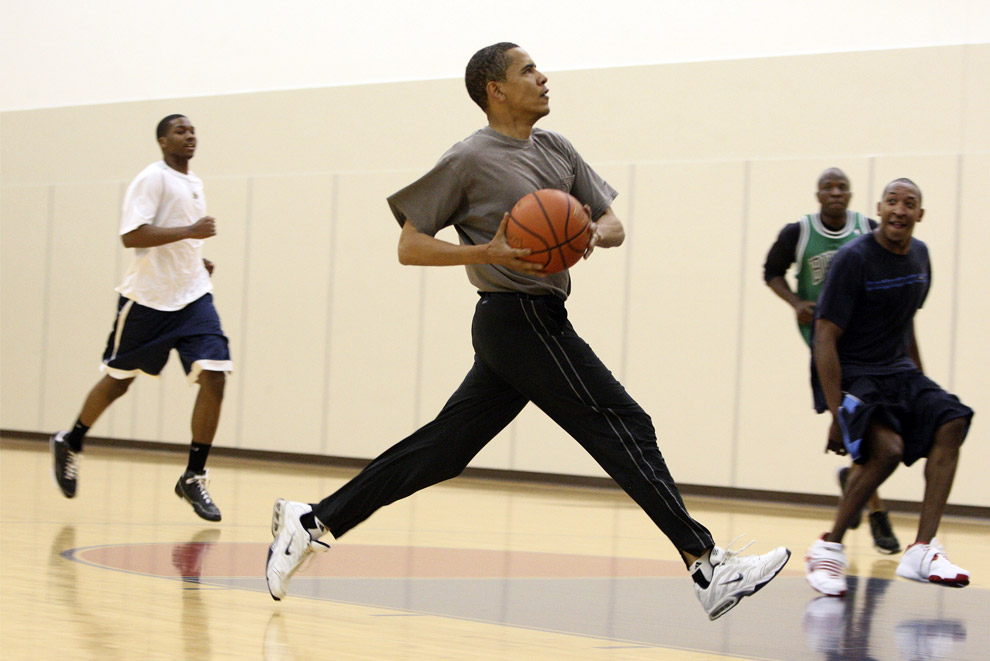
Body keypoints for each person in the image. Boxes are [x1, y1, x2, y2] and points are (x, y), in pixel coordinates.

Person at [265, 42, 790, 620]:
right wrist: (487, 249)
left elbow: (611, 221)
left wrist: (591, 231)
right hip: (515, 317)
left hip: (532, 320)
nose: (543, 78)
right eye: (528, 71)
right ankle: (707, 565)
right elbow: (408, 245)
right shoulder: (468, 159)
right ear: (496, 90)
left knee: (444, 449)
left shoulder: (558, 149)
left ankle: (311, 520)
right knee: (623, 423)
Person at [49, 114, 232, 522]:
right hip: (148, 300)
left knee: (216, 372)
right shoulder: (152, 178)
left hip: (193, 296)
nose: (190, 136)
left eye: (193, 130)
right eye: (181, 131)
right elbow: (132, 236)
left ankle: (193, 475)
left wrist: (195, 259)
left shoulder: (192, 181)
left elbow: (175, 236)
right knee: (119, 381)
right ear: (163, 141)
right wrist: (190, 232)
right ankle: (71, 440)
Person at [804, 178, 973, 596]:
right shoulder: (853, 259)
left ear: (920, 214)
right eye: (892, 202)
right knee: (888, 451)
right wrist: (835, 410)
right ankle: (828, 547)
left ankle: (922, 550)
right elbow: (824, 336)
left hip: (898, 372)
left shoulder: (920, 256)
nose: (900, 209)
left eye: (909, 203)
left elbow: (905, 319)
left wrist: (920, 381)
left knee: (952, 420)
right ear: (878, 209)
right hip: (853, 371)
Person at [763, 168, 900, 554]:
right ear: (818, 194)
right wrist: (795, 303)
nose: (836, 192)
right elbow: (771, 272)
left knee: (865, 433)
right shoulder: (799, 233)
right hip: (827, 347)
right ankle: (876, 515)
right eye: (829, 187)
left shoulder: (868, 229)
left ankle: (857, 499)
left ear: (852, 195)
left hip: (868, 345)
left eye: (842, 187)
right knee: (859, 431)